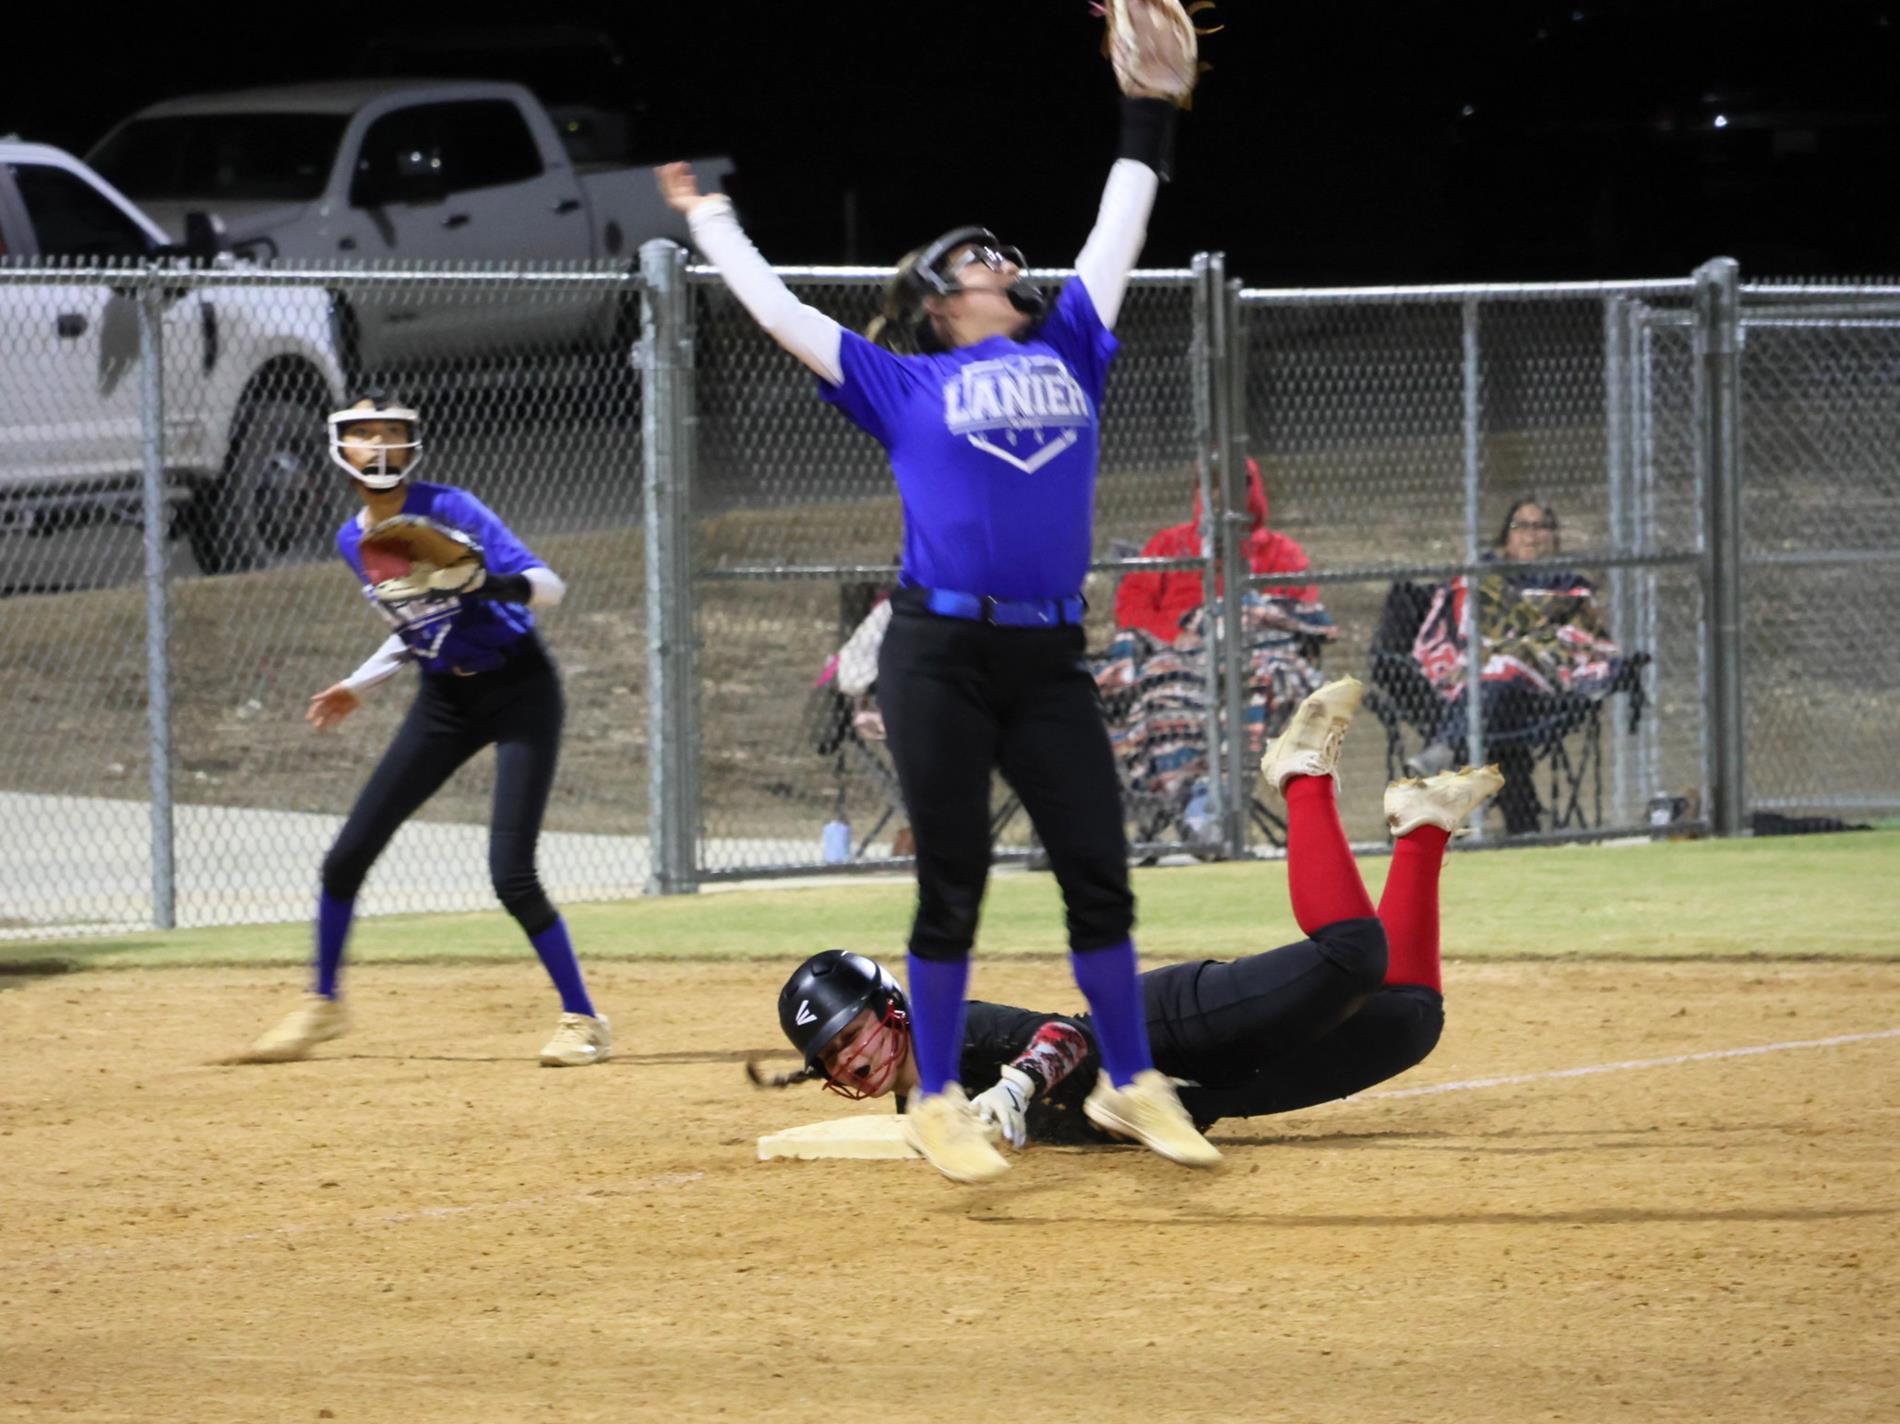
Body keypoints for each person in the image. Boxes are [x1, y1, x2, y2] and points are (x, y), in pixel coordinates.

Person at [655, 15, 1217, 1182]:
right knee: (953, 870)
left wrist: (1148, 111)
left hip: (1046, 653)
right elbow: (775, 311)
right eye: (980, 257)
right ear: (935, 297)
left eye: (1003, 252)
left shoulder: (1071, 347)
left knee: (1097, 867)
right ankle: (942, 1096)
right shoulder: (899, 378)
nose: (1004, 262)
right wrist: (710, 218)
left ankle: (1130, 1077)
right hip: (937, 650)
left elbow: (1120, 225)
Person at [768, 678, 1505, 1147]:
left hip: (1162, 1035)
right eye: (831, 1056)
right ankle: (1424, 827)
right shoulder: (916, 1113)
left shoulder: (944, 1033)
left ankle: (1300, 777)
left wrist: (1017, 1085)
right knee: (1410, 1022)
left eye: (851, 1032)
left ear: (891, 1008)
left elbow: (1061, 1035)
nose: (850, 1058)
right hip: (1208, 1097)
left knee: (1352, 957)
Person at [240, 395, 611, 1067]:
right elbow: (419, 628)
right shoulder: (352, 540)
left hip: (521, 687)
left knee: (511, 873)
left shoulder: (453, 508)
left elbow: (548, 586)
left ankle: (584, 1020)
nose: (378, 446)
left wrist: (487, 582)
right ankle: (322, 1006)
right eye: (363, 434)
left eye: (391, 433)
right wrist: (360, 684)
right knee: (345, 856)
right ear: (339, 450)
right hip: (445, 699)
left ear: (413, 445)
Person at [1405, 496, 1622, 834]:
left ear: (1554, 536)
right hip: (1486, 685)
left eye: (1540, 527)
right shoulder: (1482, 578)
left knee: (1509, 660)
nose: (1531, 536)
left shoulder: (1570, 587)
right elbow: (1456, 629)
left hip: (1543, 687)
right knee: (1498, 673)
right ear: (1506, 535)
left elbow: (1585, 639)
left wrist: (1525, 643)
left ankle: (1446, 749)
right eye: (1521, 526)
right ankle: (1524, 821)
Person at [1113, 458, 1316, 645]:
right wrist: (1174, 636)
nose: (1221, 495)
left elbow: (1301, 613)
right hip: (1174, 651)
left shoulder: (1281, 551)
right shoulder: (1169, 544)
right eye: (1212, 485)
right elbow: (1132, 606)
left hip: (1256, 650)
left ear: (1253, 489)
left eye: (1235, 484)